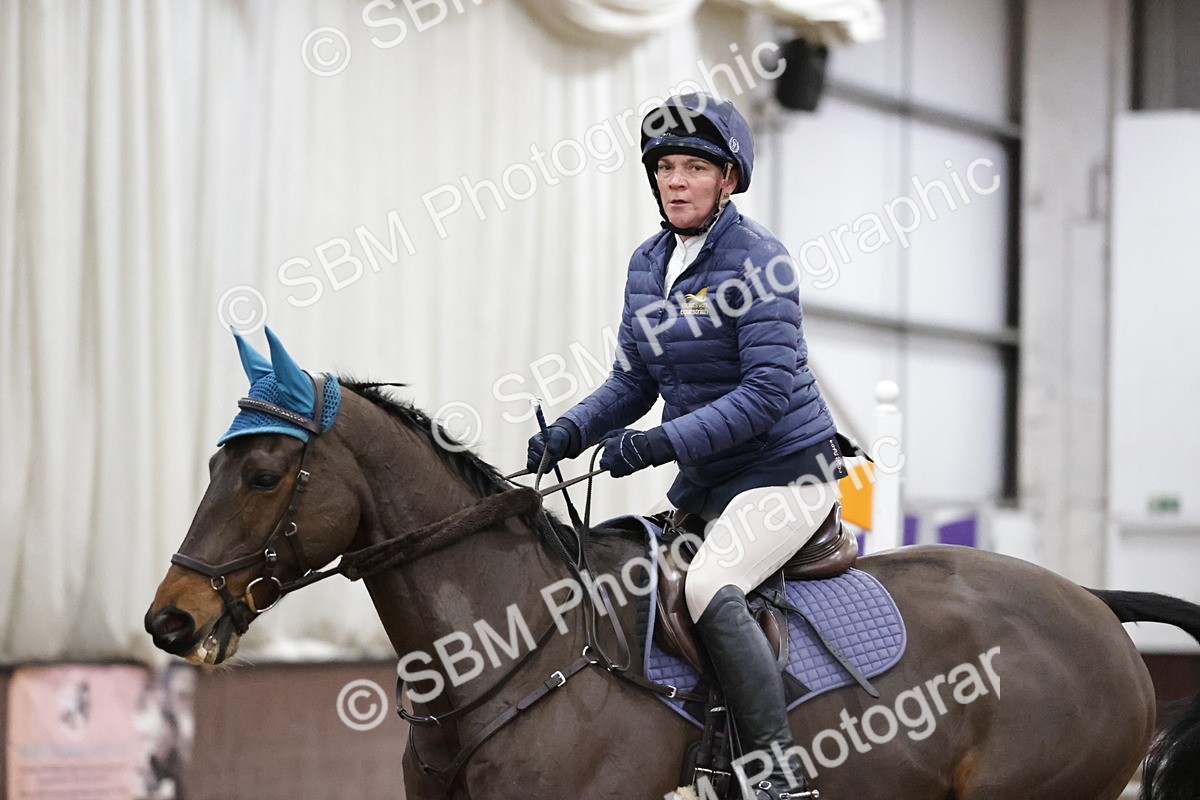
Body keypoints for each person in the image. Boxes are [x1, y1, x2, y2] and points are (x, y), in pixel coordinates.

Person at [527, 92, 844, 800]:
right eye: (665, 167)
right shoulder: (649, 263)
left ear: (727, 179)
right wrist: (571, 432)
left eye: (694, 168)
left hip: (786, 471)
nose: (676, 182)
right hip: (710, 482)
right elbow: (633, 380)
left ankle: (777, 774)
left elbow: (765, 395)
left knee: (707, 586)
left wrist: (655, 445)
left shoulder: (760, 259)